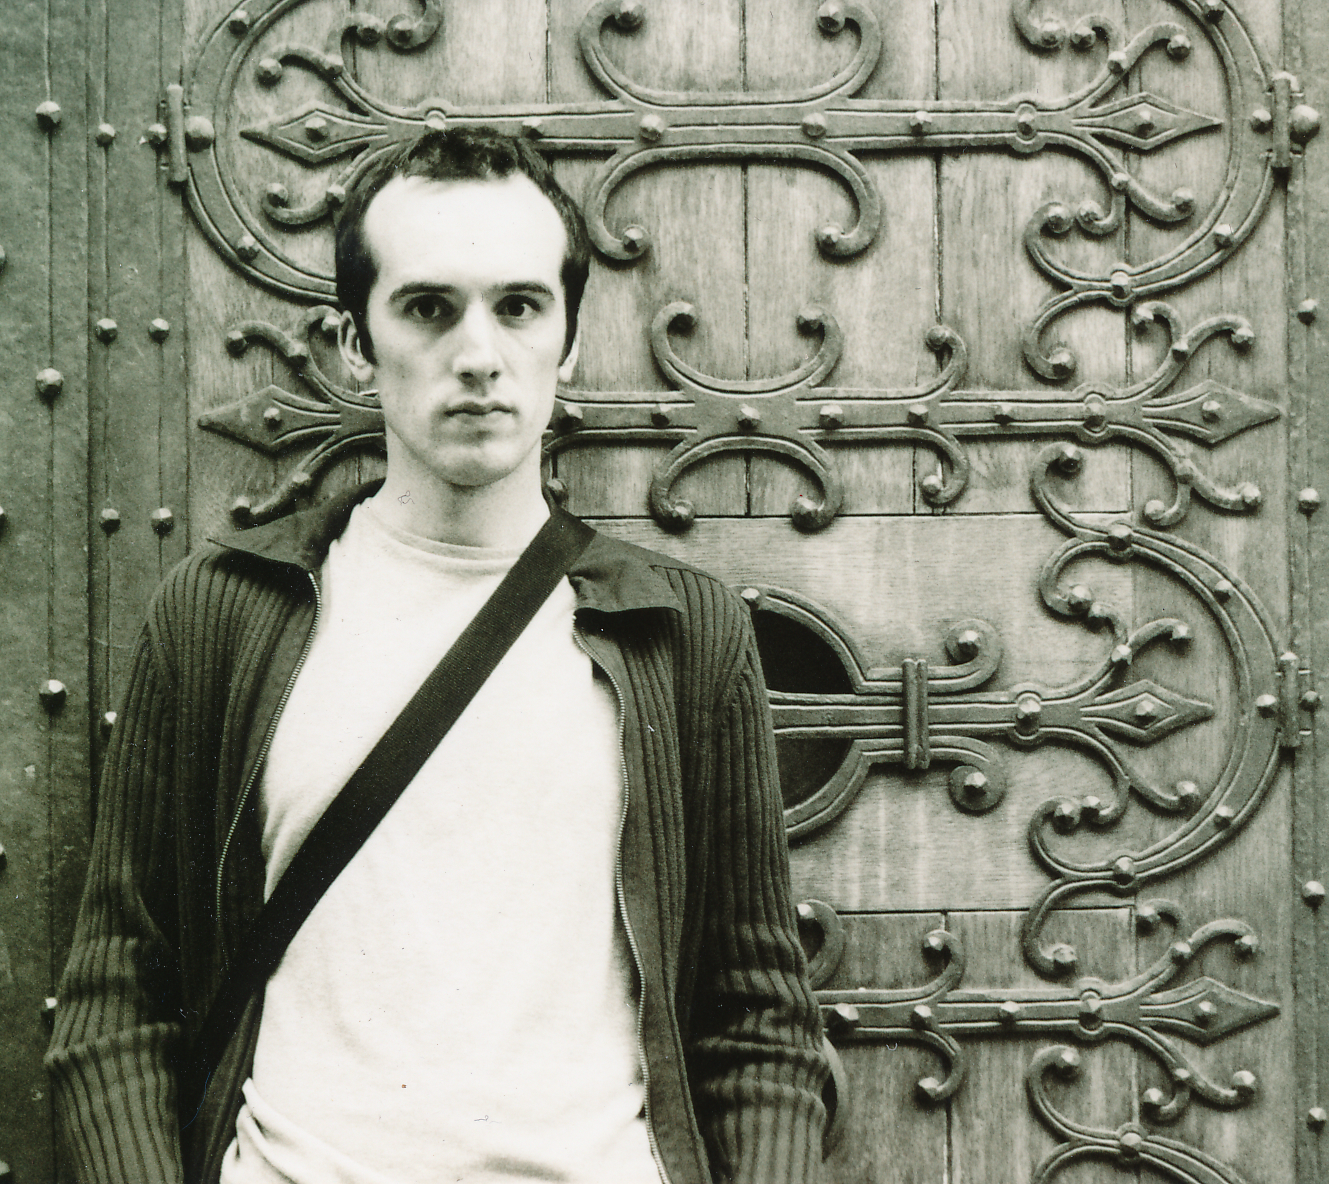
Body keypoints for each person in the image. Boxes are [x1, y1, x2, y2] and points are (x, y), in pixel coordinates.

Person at [46, 128, 829, 1184]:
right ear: (353, 341)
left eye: (519, 306)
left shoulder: (678, 629)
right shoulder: (224, 612)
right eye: (427, 307)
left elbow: (757, 1018)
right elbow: (116, 997)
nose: (478, 354)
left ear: (568, 338)